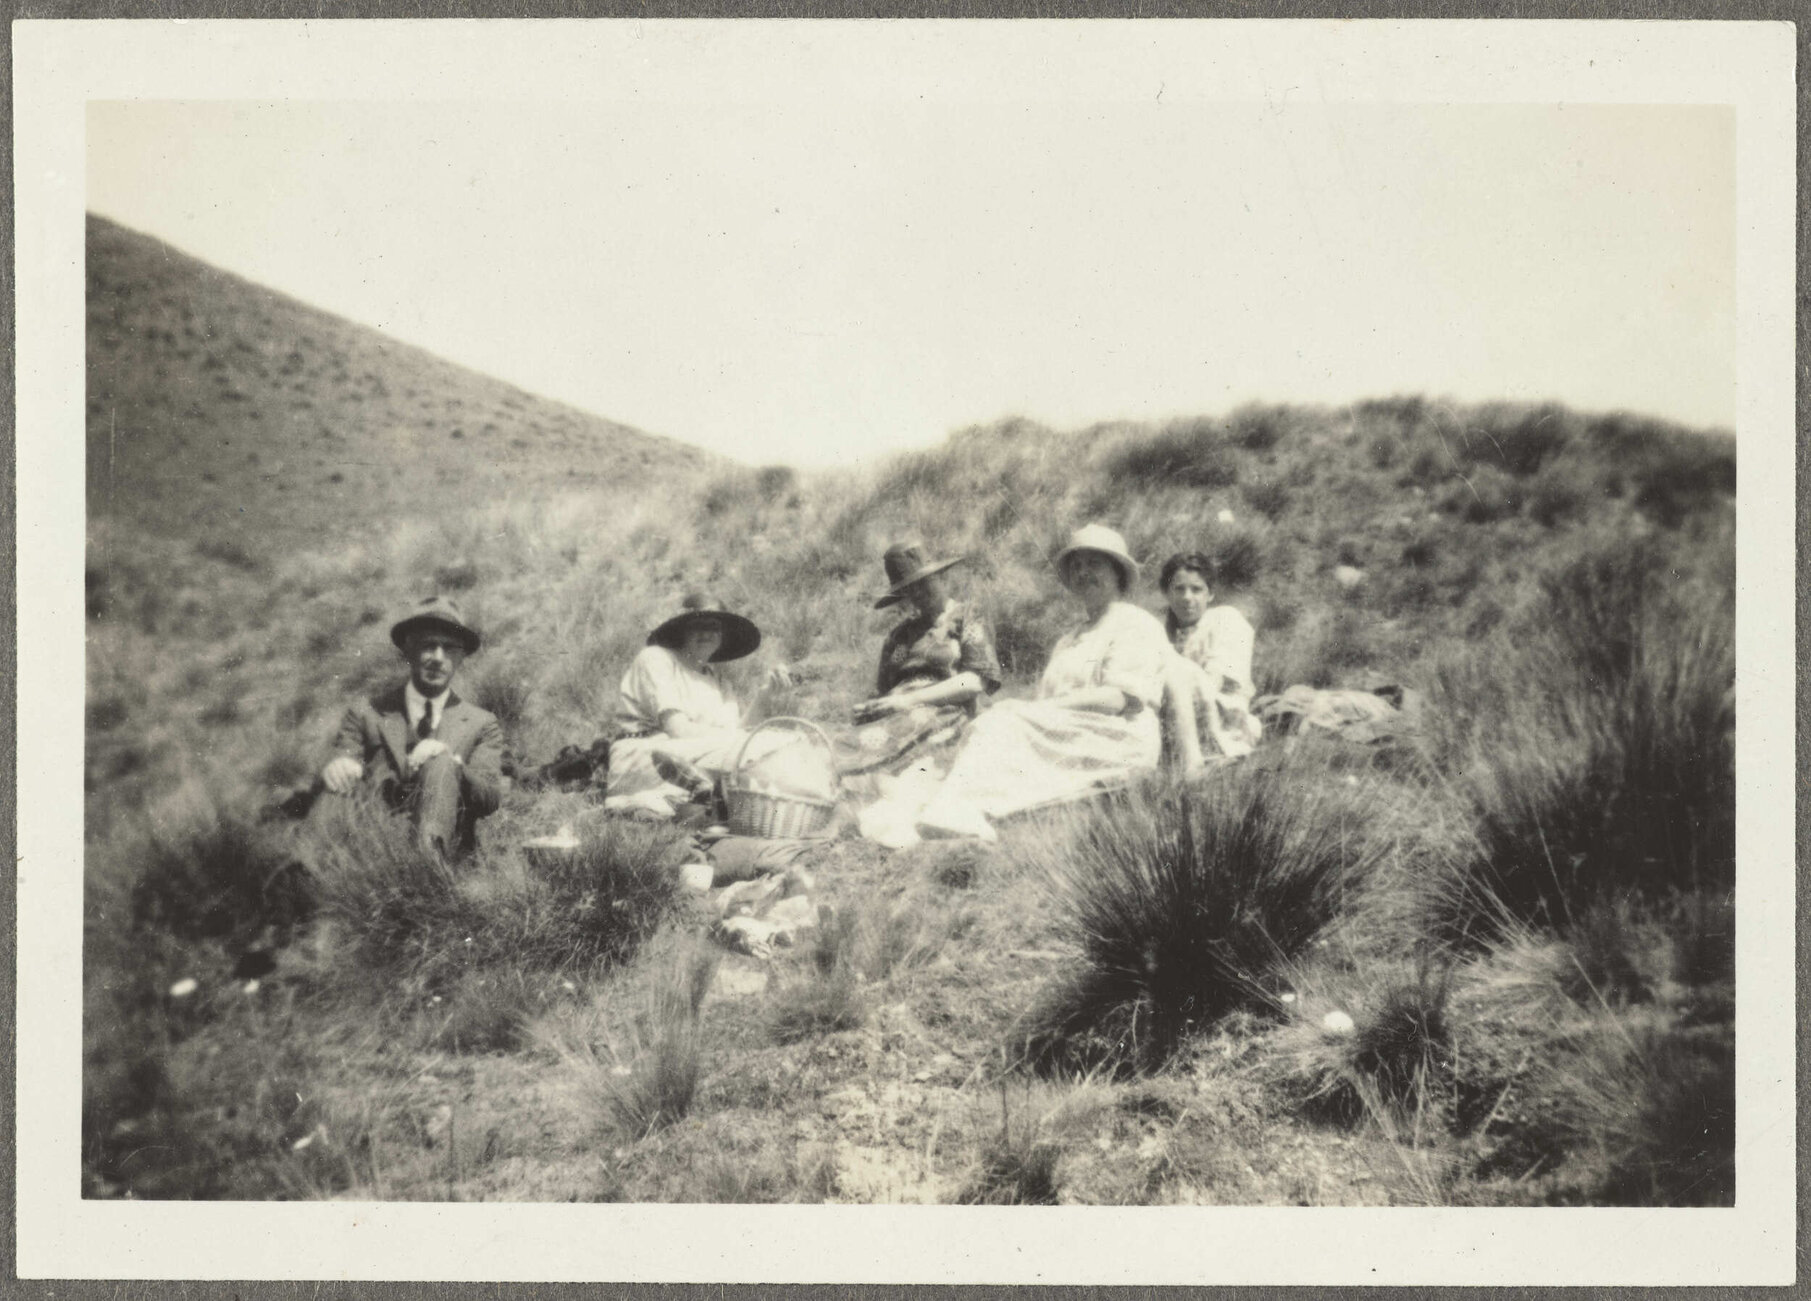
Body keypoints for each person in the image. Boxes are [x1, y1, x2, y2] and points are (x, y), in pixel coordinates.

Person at [911, 524, 1173, 841]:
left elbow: (1118, 699)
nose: (1083, 573)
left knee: (1002, 723)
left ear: (1117, 571)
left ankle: (960, 809)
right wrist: (1031, 711)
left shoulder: (1134, 623)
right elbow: (1046, 708)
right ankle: (958, 808)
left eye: (1094, 564)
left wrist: (1034, 711)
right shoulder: (1069, 639)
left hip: (1118, 737)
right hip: (1074, 732)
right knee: (990, 726)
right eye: (1077, 566)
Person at [314, 595, 506, 858]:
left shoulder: (481, 723)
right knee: (337, 782)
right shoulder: (366, 713)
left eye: (450, 648)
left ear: (461, 657)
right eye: (428, 645)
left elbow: (490, 798)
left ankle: (426, 866)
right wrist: (340, 764)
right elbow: (346, 752)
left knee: (441, 762)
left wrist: (452, 765)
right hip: (375, 845)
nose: (438, 658)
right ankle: (307, 870)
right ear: (408, 649)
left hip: (446, 852)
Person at [842, 541, 1003, 786]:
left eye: (923, 583)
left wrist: (908, 700)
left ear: (940, 576)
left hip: (942, 710)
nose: (917, 594)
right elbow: (889, 680)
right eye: (909, 589)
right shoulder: (901, 636)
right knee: (844, 743)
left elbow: (973, 681)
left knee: (876, 756)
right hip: (896, 712)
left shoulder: (967, 616)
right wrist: (872, 706)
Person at [610, 593, 792, 800]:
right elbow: (677, 729)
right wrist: (739, 740)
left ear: (722, 635)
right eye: (698, 626)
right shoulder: (656, 658)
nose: (706, 634)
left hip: (695, 755)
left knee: (782, 744)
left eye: (713, 627)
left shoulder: (718, 681)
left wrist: (765, 695)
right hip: (649, 757)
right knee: (760, 749)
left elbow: (736, 732)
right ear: (683, 631)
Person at [1159, 551, 1263, 768]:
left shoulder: (1225, 619)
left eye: (1196, 589)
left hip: (1222, 718)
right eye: (1179, 589)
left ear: (1210, 594)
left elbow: (1215, 679)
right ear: (1167, 593)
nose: (1187, 597)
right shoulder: (1162, 632)